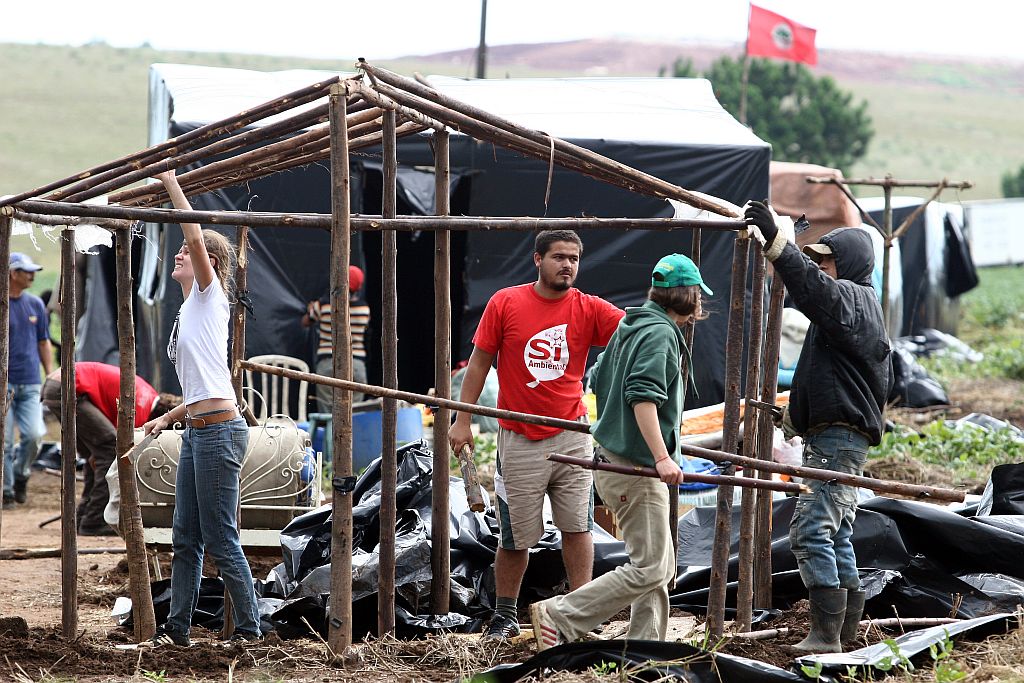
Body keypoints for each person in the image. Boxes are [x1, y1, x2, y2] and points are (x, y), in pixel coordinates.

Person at [448, 230, 624, 640]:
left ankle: (582, 608)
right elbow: (478, 365)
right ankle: (506, 613)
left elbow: (634, 332)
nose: (568, 265)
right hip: (520, 438)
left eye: (575, 258)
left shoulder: (589, 308)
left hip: (573, 435)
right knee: (516, 535)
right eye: (559, 257)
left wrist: (670, 309)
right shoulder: (506, 303)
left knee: (578, 527)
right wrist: (462, 420)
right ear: (537, 259)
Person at [529, 254, 709, 649]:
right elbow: (642, 398)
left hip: (614, 459)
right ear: (686, 295)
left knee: (660, 567)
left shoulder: (632, 324)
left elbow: (600, 380)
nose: (699, 303)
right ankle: (561, 615)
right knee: (650, 568)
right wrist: (662, 457)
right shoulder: (659, 334)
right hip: (635, 466)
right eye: (696, 294)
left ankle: (646, 647)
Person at [745, 201, 893, 654]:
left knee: (810, 530)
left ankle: (825, 636)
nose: (820, 268)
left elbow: (809, 288)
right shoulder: (857, 308)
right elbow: (834, 379)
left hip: (836, 439)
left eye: (826, 260)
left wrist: (777, 245)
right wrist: (794, 417)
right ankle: (841, 634)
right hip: (839, 436)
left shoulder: (848, 297)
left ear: (845, 263)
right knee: (837, 532)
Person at [140, 170, 261, 647]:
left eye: (186, 253)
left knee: (220, 536)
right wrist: (165, 419)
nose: (178, 254)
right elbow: (201, 385)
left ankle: (250, 631)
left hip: (219, 433)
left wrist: (171, 183)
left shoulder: (211, 297)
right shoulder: (187, 309)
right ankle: (177, 631)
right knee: (184, 536)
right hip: (196, 431)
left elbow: (193, 228)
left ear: (209, 262)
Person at [41, 362, 179, 536]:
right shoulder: (141, 412)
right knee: (110, 452)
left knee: (98, 455)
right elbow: (120, 450)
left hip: (57, 384)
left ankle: (83, 516)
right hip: (69, 386)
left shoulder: (148, 394)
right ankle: (94, 521)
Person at [4, 252, 53, 509]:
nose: (32, 275)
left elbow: (43, 342)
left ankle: (21, 475)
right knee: (5, 442)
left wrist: (50, 374)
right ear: (12, 273)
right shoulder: (2, 303)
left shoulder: (35, 305)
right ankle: (7, 492)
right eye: (27, 271)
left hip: (30, 381)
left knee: (34, 435)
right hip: (4, 385)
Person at [302, 265, 370, 410]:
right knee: (354, 412)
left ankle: (330, 434)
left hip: (328, 362)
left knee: (327, 411)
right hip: (356, 364)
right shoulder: (365, 309)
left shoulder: (324, 305)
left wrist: (311, 309)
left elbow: (306, 322)